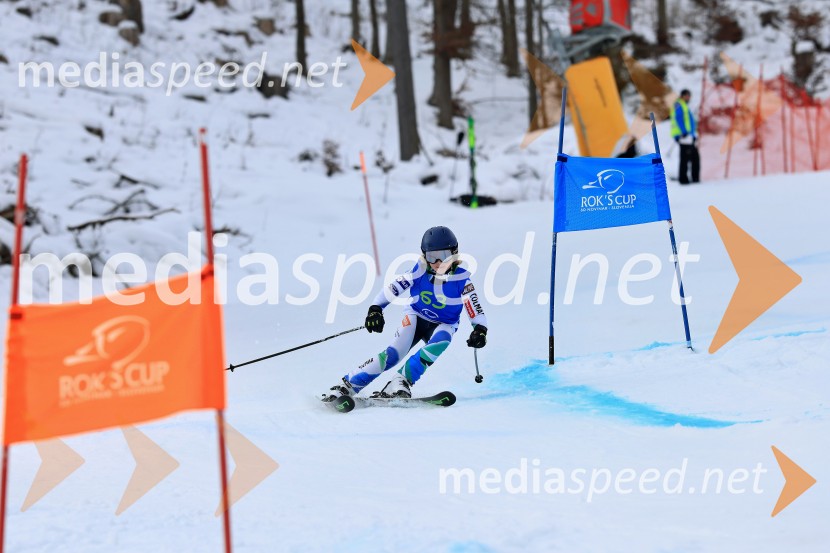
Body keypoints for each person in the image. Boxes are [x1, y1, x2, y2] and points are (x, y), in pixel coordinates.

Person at [322, 226, 488, 401]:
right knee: (393, 354)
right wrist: (376, 310)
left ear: (454, 254)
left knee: (441, 341)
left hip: (445, 323)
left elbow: (475, 307)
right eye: (432, 257)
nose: (438, 262)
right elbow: (394, 287)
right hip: (416, 316)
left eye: (444, 256)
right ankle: (347, 386)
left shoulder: (462, 279)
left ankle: (401, 381)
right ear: (425, 256)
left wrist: (480, 330)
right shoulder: (419, 271)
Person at [670, 89, 700, 184]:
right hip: (683, 136)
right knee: (686, 158)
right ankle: (683, 179)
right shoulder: (679, 104)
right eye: (687, 96)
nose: (688, 98)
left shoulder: (684, 105)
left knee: (694, 157)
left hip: (688, 136)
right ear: (682, 96)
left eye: (689, 96)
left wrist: (693, 134)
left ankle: (694, 178)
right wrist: (683, 132)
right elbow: (679, 119)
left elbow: (689, 122)